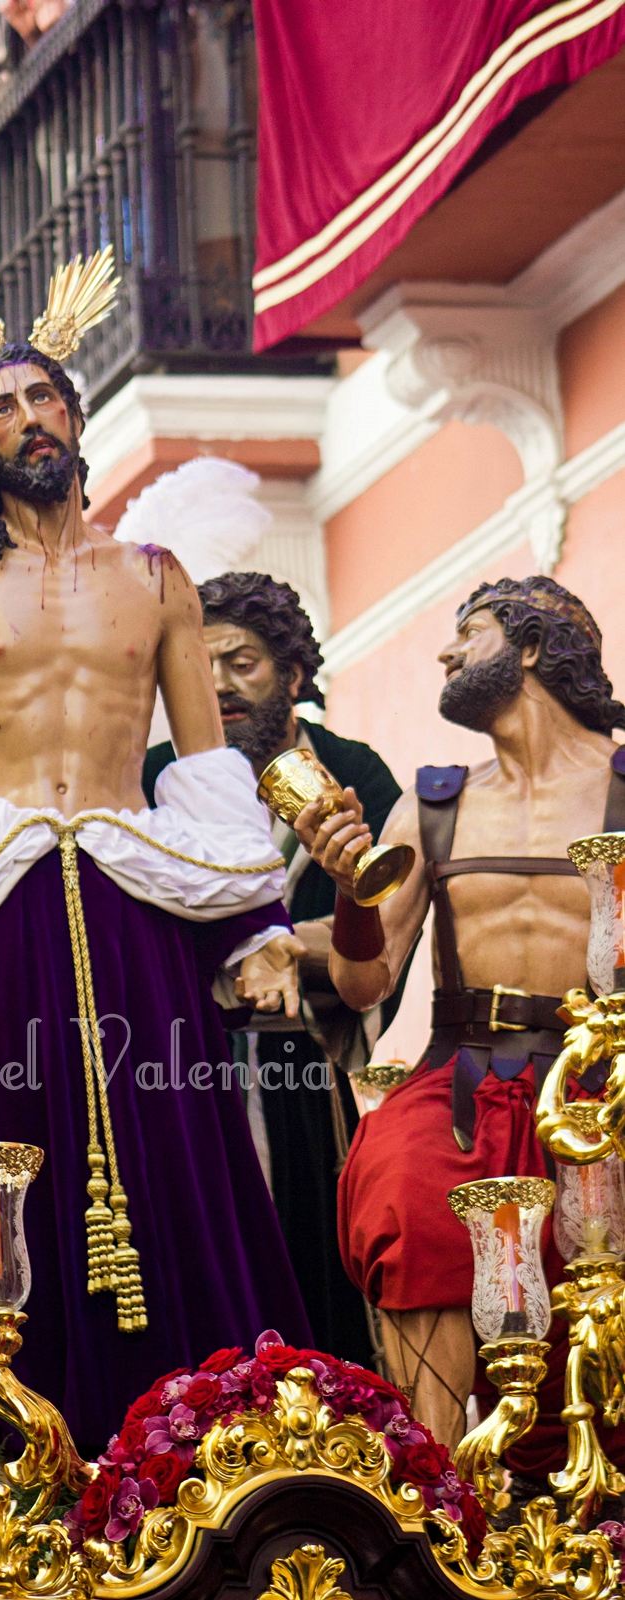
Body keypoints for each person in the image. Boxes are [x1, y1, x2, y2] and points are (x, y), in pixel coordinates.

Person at [0, 345, 312, 1473]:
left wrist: (257, 927)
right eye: (0, 407)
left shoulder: (156, 577)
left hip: (132, 898)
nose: (26, 417)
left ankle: (188, 1445)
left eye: (42, 397)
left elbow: (205, 766)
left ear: (74, 419)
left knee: (171, 1154)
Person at [297, 576, 625, 1465]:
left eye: (468, 631)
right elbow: (364, 983)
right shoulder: (433, 803)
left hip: (599, 1080)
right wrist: (349, 890)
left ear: (531, 647)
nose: (444, 651)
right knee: (404, 1185)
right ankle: (435, 1489)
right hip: (461, 1079)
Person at [143, 570, 404, 1364]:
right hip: (186, 1067)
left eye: (243, 662)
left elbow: (383, 928)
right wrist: (259, 944)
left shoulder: (352, 771)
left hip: (307, 1066)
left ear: (292, 673)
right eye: (200, 665)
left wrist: (265, 940)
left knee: (317, 1275)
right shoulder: (154, 774)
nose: (219, 684)